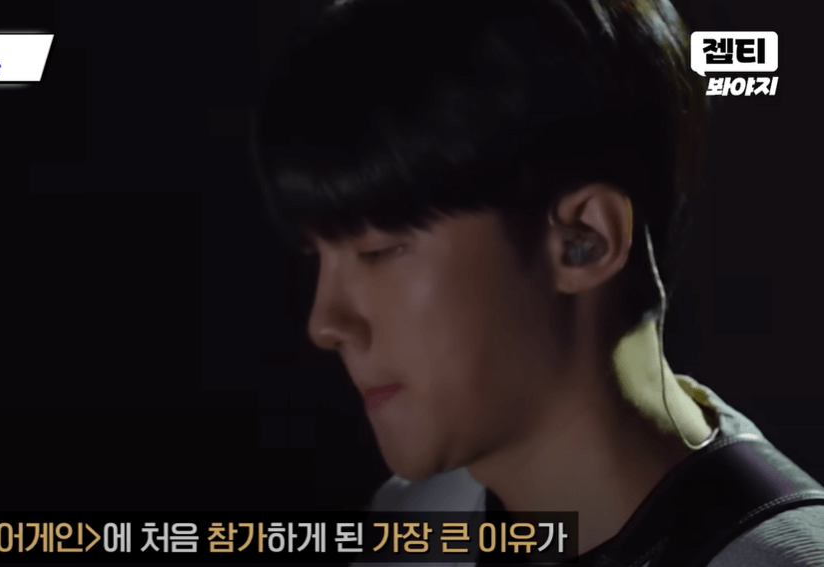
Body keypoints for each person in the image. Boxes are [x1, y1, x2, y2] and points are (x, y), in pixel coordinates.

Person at [249, 0, 824, 565]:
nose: (326, 323)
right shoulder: (417, 524)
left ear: (584, 241)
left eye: (379, 251)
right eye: (319, 256)